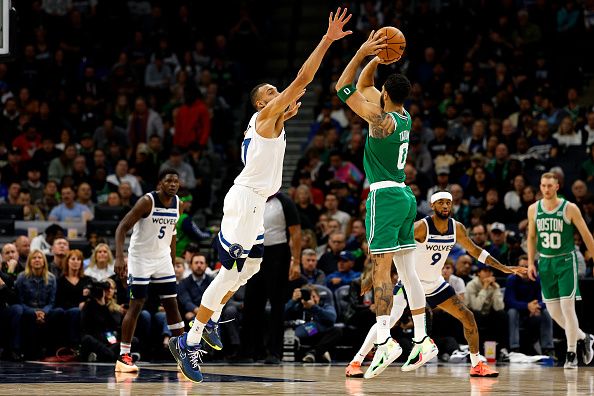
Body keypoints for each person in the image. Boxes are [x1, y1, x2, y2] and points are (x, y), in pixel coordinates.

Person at [168, 7, 353, 383]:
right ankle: (189, 340)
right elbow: (303, 78)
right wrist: (326, 40)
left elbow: (290, 102)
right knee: (228, 274)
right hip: (247, 199)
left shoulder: (272, 124)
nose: (278, 93)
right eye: (271, 92)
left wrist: (287, 112)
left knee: (251, 268)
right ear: (260, 104)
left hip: (255, 201)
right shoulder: (266, 117)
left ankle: (212, 320)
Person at [336, 32, 435, 374]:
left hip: (384, 196)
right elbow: (365, 86)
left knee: (381, 269)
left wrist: (364, 51)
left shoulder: (380, 121)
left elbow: (344, 87)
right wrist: (379, 60)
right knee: (408, 271)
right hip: (406, 195)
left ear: (385, 96)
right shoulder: (403, 116)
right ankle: (422, 340)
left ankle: (383, 341)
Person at [345, 191, 520, 379]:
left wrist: (502, 267)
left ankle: (477, 364)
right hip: (411, 284)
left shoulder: (457, 228)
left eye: (448, 203)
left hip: (435, 284)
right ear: (432, 205)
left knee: (467, 316)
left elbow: (476, 251)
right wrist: (372, 278)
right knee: (387, 322)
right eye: (441, 203)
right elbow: (390, 248)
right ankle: (355, 362)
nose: (445, 206)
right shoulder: (421, 227)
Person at [113, 169, 185, 373]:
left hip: (162, 258)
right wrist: (119, 256)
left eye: (176, 181)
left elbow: (172, 234)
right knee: (136, 304)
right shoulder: (147, 201)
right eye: (168, 181)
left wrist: (171, 261)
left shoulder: (178, 203)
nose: (173, 184)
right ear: (159, 184)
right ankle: (123, 356)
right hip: (141, 258)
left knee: (172, 304)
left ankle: (182, 354)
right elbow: (122, 228)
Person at [527, 172, 594, 368]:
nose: (546, 189)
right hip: (545, 263)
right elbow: (531, 237)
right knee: (554, 313)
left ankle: (571, 352)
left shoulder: (569, 208)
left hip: (565, 261)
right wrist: (531, 262)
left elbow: (587, 236)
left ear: (557, 187)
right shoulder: (533, 209)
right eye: (543, 185)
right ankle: (585, 337)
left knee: (567, 308)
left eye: (550, 185)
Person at [240, 192, 302, 364]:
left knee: (277, 305)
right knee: (252, 304)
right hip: (253, 253)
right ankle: (250, 350)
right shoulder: (251, 200)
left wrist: (296, 262)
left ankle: (274, 352)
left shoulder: (285, 202)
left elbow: (296, 233)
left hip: (278, 254)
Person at [504, 255, 554, 356]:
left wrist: (536, 306)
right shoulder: (511, 279)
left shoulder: (539, 279)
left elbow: (546, 299)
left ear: (533, 268)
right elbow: (509, 301)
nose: (524, 270)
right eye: (521, 266)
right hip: (518, 312)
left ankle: (548, 348)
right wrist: (527, 306)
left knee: (547, 312)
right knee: (512, 312)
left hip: (535, 313)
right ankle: (514, 349)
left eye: (527, 267)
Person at [285, 284, 342, 363]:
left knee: (337, 330)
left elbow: (332, 318)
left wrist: (314, 307)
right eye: (308, 296)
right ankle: (320, 353)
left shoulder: (324, 306)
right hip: (303, 336)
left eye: (314, 296)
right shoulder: (297, 307)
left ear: (318, 297)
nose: (311, 299)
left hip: (320, 337)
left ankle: (313, 353)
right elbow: (281, 316)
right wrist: (293, 300)